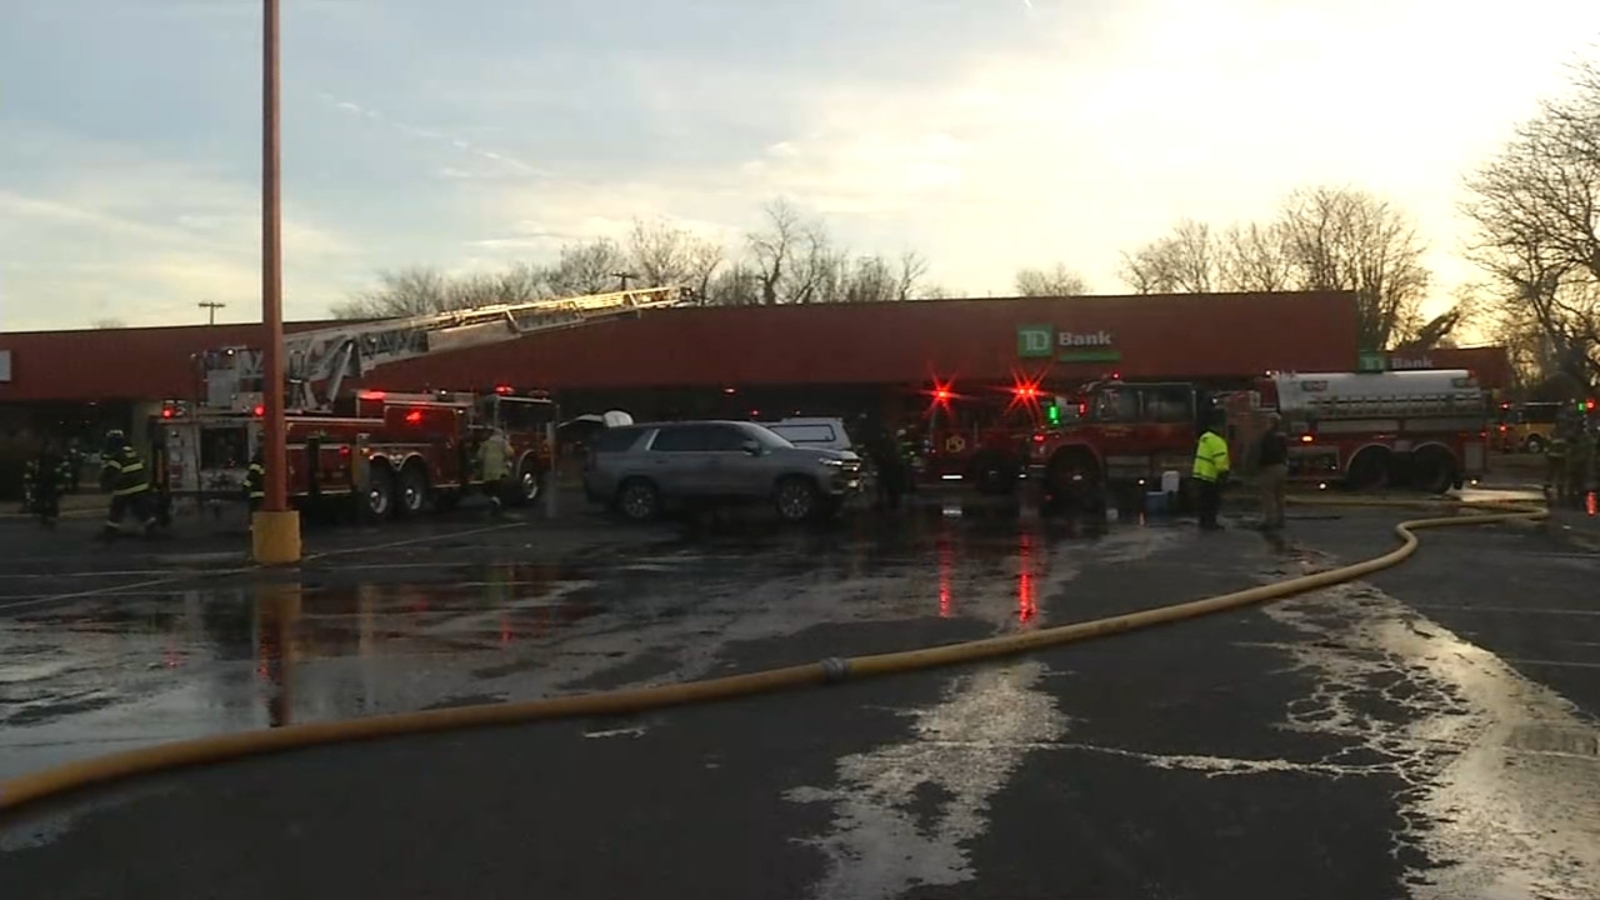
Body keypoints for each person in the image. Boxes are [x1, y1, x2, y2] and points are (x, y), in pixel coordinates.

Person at [100, 429, 157, 538]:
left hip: (125, 488)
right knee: (141, 509)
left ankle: (110, 530)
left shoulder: (117, 456)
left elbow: (111, 473)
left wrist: (106, 484)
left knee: (117, 509)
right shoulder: (131, 452)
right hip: (140, 487)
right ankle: (151, 526)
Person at [1192, 412, 1231, 530]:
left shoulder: (1204, 438)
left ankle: (1203, 521)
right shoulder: (1218, 442)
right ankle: (1211, 522)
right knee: (1212, 502)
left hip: (1201, 474)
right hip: (1212, 476)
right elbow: (1221, 460)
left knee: (1203, 501)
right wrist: (1224, 474)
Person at [1255, 413, 1288, 530]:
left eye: (1267, 421)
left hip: (1269, 468)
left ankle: (1269, 521)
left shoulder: (1267, 436)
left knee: (1268, 496)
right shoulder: (1282, 435)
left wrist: (1258, 465)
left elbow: (1265, 452)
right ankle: (1281, 520)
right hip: (1282, 467)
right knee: (1280, 496)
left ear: (1271, 423)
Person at [477, 426, 513, 515]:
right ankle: (497, 503)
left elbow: (479, 456)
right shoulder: (503, 443)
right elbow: (510, 453)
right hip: (499, 469)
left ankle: (493, 499)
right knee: (500, 486)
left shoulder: (486, 443)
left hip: (488, 470)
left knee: (490, 486)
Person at [245, 444, 266, 513]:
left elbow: (251, 477)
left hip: (255, 493)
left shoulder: (255, 464)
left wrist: (245, 487)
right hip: (266, 493)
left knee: (254, 513)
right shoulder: (267, 463)